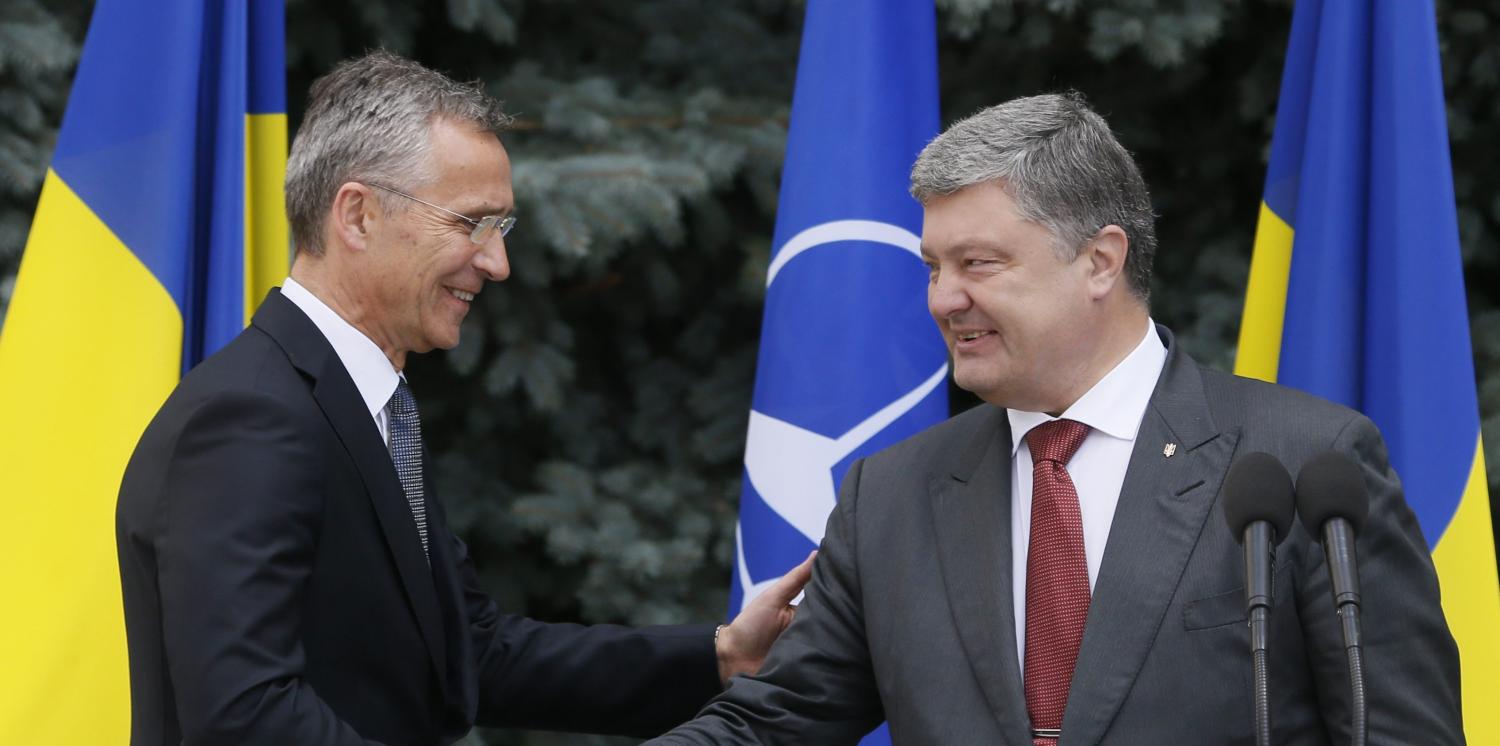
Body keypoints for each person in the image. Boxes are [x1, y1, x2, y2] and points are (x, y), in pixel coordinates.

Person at [649, 93, 1463, 744]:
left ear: (1100, 261)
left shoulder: (1301, 461)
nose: (943, 298)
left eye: (980, 264)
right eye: (933, 267)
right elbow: (772, 721)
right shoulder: (890, 494)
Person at [115, 50, 811, 746]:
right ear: (357, 216)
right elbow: (245, 715)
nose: (496, 262)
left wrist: (721, 655)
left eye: (501, 229)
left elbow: (471, 654)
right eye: (471, 223)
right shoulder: (249, 418)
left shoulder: (360, 407)